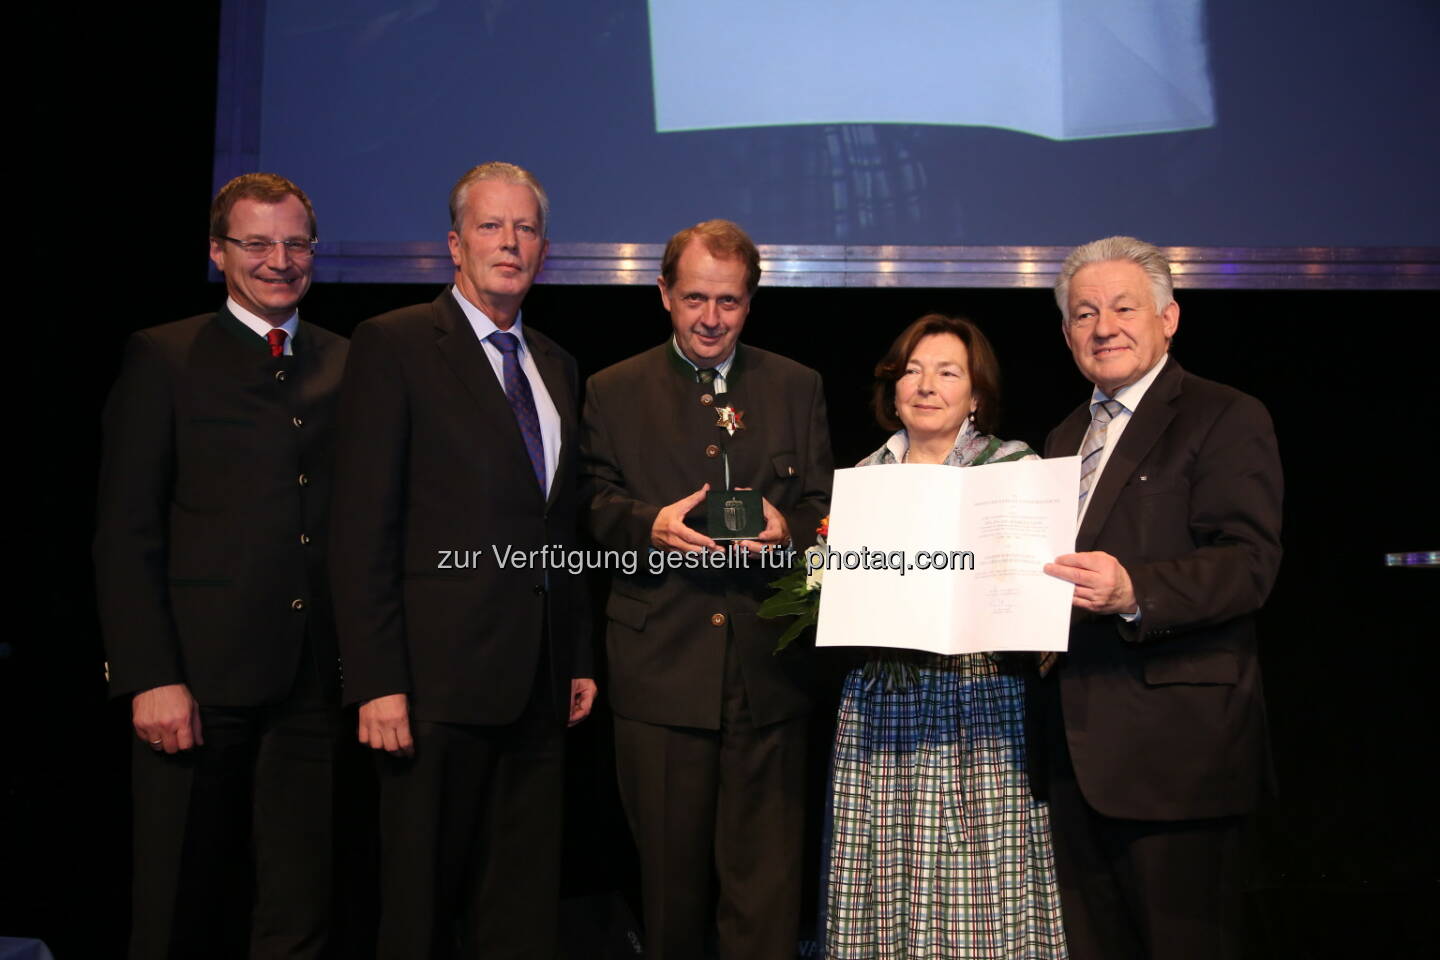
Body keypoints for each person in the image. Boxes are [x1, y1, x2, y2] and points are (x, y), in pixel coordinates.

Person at [328, 161, 596, 958]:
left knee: (516, 914)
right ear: (454, 244)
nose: (509, 243)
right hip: (433, 689)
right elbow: (361, 525)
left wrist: (576, 653)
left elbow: (563, 524)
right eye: (490, 226)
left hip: (538, 688)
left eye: (525, 229)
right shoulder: (396, 343)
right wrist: (376, 679)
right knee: (418, 910)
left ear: (544, 249)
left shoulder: (556, 363)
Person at [94, 173, 346, 958]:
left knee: (300, 906)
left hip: (312, 684)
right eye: (257, 243)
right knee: (175, 902)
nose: (280, 260)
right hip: (195, 684)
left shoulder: (349, 360)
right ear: (218, 252)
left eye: (295, 242)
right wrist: (149, 675)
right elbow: (124, 530)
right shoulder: (164, 356)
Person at [579, 219, 833, 960]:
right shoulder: (612, 389)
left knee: (767, 893)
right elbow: (588, 506)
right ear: (663, 294)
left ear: (749, 303)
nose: (711, 318)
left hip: (770, 675)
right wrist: (645, 526)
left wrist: (794, 529)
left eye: (728, 301)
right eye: (694, 298)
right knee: (669, 893)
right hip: (660, 672)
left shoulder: (796, 385)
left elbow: (827, 510)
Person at [1037, 236, 1282, 960]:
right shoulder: (1062, 436)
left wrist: (1136, 589)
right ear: (1065, 333)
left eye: (1121, 307)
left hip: (1181, 760)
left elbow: (1249, 564)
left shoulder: (1224, 415)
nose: (1102, 327)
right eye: (1083, 314)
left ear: (1168, 318)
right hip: (1075, 754)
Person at [823, 314, 1068, 960]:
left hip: (981, 704)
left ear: (976, 395)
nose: (925, 385)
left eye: (947, 372)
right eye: (912, 370)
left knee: (982, 897)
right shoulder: (865, 477)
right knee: (884, 881)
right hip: (885, 706)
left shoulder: (1012, 467)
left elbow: (1041, 593)